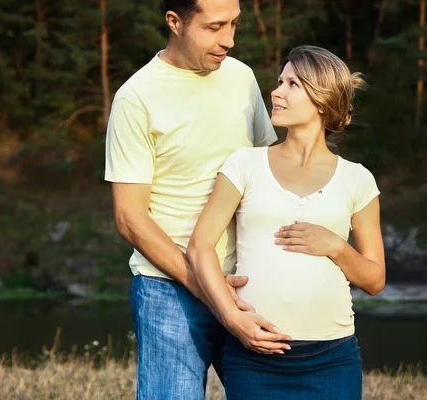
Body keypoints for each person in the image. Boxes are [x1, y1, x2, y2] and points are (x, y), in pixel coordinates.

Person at [104, 0, 286, 398]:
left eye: (235, 25)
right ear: (175, 22)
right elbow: (129, 218)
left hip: (250, 280)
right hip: (170, 290)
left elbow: (268, 174)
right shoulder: (136, 97)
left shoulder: (242, 78)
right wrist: (207, 287)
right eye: (215, 27)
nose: (230, 41)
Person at [187, 45, 386, 400]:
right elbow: (200, 246)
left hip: (332, 358)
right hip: (255, 357)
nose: (276, 92)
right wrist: (231, 316)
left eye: (292, 84)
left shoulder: (358, 180)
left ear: (322, 100)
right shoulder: (244, 164)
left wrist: (337, 247)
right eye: (280, 81)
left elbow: (374, 279)